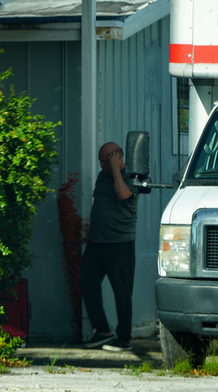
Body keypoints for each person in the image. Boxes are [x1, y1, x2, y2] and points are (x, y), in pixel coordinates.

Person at [81, 141, 139, 352]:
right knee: (87, 283)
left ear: (117, 158)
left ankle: (124, 339)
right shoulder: (101, 176)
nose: (101, 166)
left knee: (122, 293)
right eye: (100, 162)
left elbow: (123, 194)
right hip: (96, 243)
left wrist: (115, 169)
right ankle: (103, 330)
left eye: (105, 161)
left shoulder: (133, 177)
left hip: (119, 244)